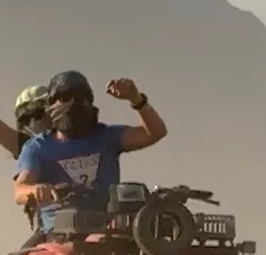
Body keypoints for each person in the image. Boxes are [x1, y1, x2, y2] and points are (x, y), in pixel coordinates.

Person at [14, 70, 167, 241]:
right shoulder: (38, 146)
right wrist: (35, 190)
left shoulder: (106, 137)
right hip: (56, 235)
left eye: (80, 98)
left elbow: (155, 132)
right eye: (64, 99)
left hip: (108, 231)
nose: (72, 105)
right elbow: (20, 189)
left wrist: (136, 100)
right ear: (51, 105)